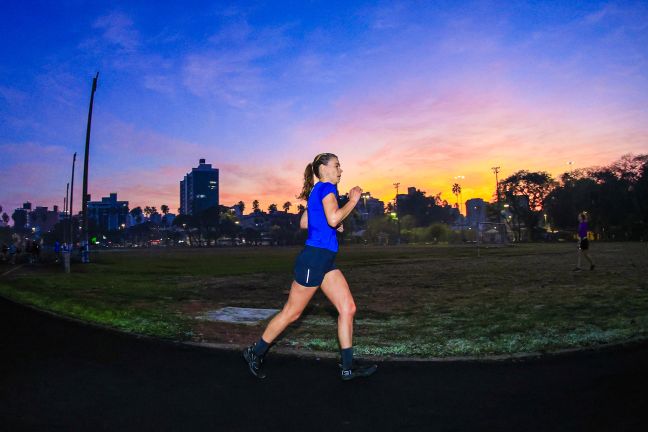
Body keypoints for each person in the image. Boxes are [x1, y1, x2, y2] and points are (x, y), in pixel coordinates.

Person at [243, 153, 377, 381]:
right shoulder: (326, 188)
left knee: (348, 308)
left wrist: (330, 221)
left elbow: (305, 222)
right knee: (292, 313)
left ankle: (347, 367)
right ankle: (254, 353)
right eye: (337, 166)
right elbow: (333, 219)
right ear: (323, 169)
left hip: (324, 261)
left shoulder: (317, 191)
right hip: (314, 260)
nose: (341, 171)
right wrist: (352, 202)